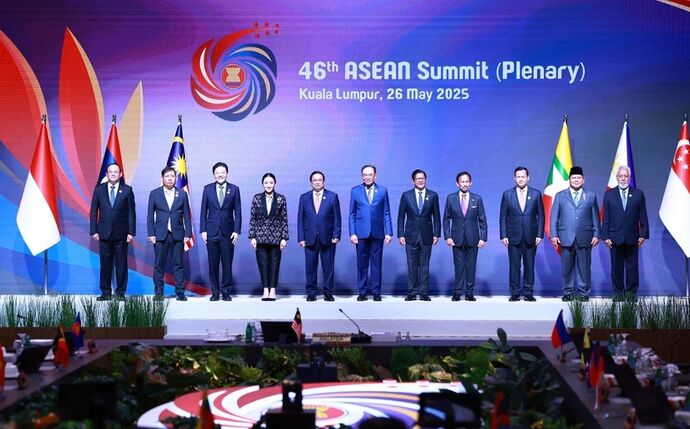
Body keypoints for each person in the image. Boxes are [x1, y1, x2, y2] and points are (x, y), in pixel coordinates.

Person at [549, 166, 600, 301]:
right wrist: (554, 235)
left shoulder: (591, 196)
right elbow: (553, 217)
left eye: (579, 178)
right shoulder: (560, 196)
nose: (576, 180)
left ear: (583, 180)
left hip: (585, 236)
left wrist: (596, 234)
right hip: (565, 237)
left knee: (584, 268)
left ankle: (584, 293)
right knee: (567, 268)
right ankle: (568, 293)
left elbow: (595, 217)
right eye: (573, 178)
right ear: (569, 179)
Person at [89, 163, 135, 301]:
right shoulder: (99, 189)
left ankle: (120, 293)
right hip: (104, 233)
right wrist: (94, 230)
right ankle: (106, 292)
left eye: (116, 172)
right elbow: (93, 211)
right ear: (107, 174)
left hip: (122, 234)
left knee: (121, 265)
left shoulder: (127, 190)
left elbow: (131, 213)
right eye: (111, 172)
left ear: (120, 174)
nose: (113, 174)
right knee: (105, 264)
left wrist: (131, 232)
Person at [601, 165, 649, 298]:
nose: (623, 179)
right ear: (617, 178)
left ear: (629, 178)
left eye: (625, 176)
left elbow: (643, 216)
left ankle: (630, 294)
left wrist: (644, 234)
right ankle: (618, 294)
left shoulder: (638, 194)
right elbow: (606, 218)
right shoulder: (609, 195)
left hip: (632, 237)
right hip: (614, 238)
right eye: (620, 176)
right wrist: (605, 236)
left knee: (632, 268)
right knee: (616, 268)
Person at [499, 166, 544, 302]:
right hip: (513, 236)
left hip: (531, 236)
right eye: (518, 177)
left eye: (523, 176)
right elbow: (503, 217)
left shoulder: (536, 194)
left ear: (528, 178)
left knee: (529, 266)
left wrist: (539, 234)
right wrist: (503, 235)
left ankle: (529, 293)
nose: (520, 179)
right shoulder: (507, 194)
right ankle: (515, 293)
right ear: (514, 178)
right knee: (514, 266)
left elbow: (541, 216)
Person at [147, 166, 192, 301]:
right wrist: (151, 233)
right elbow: (150, 216)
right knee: (159, 265)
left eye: (172, 176)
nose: (170, 178)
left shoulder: (182, 194)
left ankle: (180, 292)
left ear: (176, 178)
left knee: (178, 265)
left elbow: (187, 216)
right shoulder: (154, 193)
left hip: (178, 234)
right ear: (162, 178)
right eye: (167, 176)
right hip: (160, 234)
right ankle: (159, 293)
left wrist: (188, 234)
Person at [349, 164, 393, 301]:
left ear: (375, 176)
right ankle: (362, 292)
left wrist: (389, 232)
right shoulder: (355, 191)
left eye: (370, 174)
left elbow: (387, 212)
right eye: (365, 175)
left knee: (376, 264)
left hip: (378, 232)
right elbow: (352, 214)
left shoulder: (383, 191)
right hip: (361, 234)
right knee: (361, 265)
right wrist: (352, 233)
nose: (367, 177)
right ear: (362, 176)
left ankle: (376, 292)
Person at [200, 162, 241, 301]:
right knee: (213, 264)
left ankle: (226, 292)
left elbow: (238, 211)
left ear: (227, 173)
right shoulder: (207, 189)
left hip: (228, 232)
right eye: (217, 173)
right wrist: (203, 230)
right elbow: (203, 211)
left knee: (227, 264)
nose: (220, 175)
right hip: (211, 232)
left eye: (222, 172)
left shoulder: (234, 189)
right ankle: (215, 293)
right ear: (214, 174)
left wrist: (236, 231)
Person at [397, 169, 441, 301]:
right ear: (413, 181)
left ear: (425, 180)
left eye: (422, 178)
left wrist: (436, 234)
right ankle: (412, 292)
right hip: (410, 235)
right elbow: (401, 217)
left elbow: (437, 217)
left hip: (427, 235)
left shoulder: (433, 195)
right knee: (412, 265)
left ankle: (423, 293)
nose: (420, 181)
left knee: (425, 265)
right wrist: (401, 234)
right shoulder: (406, 195)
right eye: (418, 178)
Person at [443, 171, 487, 301]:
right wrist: (447, 236)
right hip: (456, 238)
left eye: (467, 181)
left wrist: (483, 238)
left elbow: (482, 220)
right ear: (457, 183)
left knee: (471, 266)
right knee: (458, 267)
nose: (465, 184)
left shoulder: (477, 199)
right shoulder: (451, 198)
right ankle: (457, 292)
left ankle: (469, 293)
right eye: (462, 181)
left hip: (473, 238)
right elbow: (446, 219)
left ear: (471, 183)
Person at [297, 171, 341, 301]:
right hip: (309, 238)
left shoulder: (332, 196)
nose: (317, 182)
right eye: (314, 180)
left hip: (328, 237)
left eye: (319, 180)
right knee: (310, 267)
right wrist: (301, 237)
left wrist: (336, 234)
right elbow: (300, 219)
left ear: (323, 181)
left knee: (328, 267)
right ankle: (311, 293)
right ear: (311, 182)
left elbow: (337, 218)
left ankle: (328, 293)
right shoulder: (304, 197)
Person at [248, 173, 289, 301]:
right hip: (260, 237)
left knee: (275, 264)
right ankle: (265, 289)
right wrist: (252, 236)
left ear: (275, 184)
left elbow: (284, 219)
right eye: (266, 183)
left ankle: (273, 290)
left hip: (276, 237)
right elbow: (253, 218)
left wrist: (284, 238)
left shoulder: (281, 198)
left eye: (271, 182)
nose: (268, 185)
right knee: (263, 264)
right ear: (263, 184)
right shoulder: (257, 198)